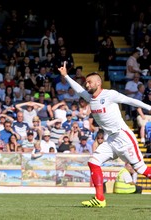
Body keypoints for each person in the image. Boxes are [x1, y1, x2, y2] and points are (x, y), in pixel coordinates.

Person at [58, 61, 151, 208]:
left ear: (98, 83)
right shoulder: (90, 98)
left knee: (143, 170)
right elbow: (78, 90)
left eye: (89, 82)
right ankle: (100, 199)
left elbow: (130, 100)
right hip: (111, 140)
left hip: (124, 137)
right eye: (86, 83)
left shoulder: (110, 95)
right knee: (93, 162)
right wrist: (66, 76)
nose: (86, 85)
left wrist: (149, 107)